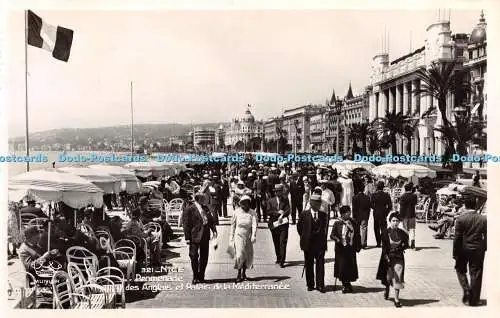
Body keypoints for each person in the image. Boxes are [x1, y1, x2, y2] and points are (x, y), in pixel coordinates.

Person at [453, 196, 487, 306]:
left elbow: (457, 238)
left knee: (460, 269)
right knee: (476, 273)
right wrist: (484, 247)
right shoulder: (483, 219)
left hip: (463, 249)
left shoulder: (461, 219)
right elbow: (487, 235)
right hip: (478, 249)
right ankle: (474, 300)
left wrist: (455, 253)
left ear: (465, 205)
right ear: (475, 205)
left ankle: (466, 290)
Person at [182, 191, 218, 284]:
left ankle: (201, 275)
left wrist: (214, 230)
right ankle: (195, 276)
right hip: (194, 236)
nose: (205, 200)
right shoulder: (189, 209)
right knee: (193, 256)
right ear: (198, 199)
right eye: (203, 198)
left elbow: (210, 220)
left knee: (204, 257)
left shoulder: (205, 208)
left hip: (205, 235)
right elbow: (186, 224)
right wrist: (187, 238)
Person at [376, 212, 409, 307]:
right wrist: (386, 257)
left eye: (397, 221)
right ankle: (387, 288)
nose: (395, 223)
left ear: (399, 222)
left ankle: (396, 299)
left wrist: (402, 247)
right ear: (390, 221)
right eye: (393, 221)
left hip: (399, 258)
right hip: (388, 259)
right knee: (388, 278)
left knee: (398, 277)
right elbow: (384, 248)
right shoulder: (385, 233)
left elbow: (406, 244)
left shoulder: (403, 233)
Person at [297, 194, 328, 292]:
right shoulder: (304, 214)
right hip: (308, 244)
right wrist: (305, 237)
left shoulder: (323, 215)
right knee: (309, 264)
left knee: (320, 265)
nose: (319, 205)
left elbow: (325, 229)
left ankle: (320, 285)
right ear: (311, 203)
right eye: (316, 203)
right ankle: (310, 284)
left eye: (319, 203)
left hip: (320, 244)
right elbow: (299, 228)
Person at [331, 205, 361, 293]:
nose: (350, 214)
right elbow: (332, 235)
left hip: (350, 249)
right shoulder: (337, 223)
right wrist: (337, 240)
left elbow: (357, 234)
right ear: (343, 214)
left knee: (350, 268)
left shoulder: (353, 222)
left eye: (350, 213)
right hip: (341, 249)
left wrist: (357, 244)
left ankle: (348, 284)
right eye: (348, 213)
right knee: (342, 268)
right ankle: (345, 285)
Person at [229, 195, 257, 283]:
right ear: (241, 204)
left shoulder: (252, 213)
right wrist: (231, 237)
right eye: (244, 203)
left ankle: (244, 273)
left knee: (247, 255)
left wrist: (253, 235)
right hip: (238, 235)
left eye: (247, 203)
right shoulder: (236, 212)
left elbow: (254, 225)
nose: (246, 205)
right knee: (240, 254)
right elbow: (232, 226)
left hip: (248, 235)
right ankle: (238, 273)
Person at [266, 184, 290, 268]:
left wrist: (282, 215)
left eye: (280, 191)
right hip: (274, 224)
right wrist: (277, 213)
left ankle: (282, 261)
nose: (278, 193)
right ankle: (278, 258)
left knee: (283, 242)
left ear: (282, 191)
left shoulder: (286, 200)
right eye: (277, 191)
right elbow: (268, 211)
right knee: (276, 242)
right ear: (275, 192)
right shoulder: (270, 200)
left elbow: (288, 210)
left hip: (283, 224)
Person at [371, 181, 393, 247]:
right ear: (383, 187)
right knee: (383, 228)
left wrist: (375, 208)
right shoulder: (386, 195)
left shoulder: (373, 195)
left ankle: (378, 242)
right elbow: (390, 206)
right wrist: (386, 212)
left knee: (376, 228)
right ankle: (384, 242)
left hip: (376, 214)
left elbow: (371, 204)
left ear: (377, 187)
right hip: (383, 214)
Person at [352, 181, 371, 249]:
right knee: (364, 229)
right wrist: (368, 216)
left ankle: (357, 243)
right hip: (364, 216)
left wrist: (353, 216)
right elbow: (368, 209)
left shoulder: (354, 197)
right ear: (363, 189)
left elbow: (354, 208)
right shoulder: (367, 198)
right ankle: (363, 243)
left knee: (357, 230)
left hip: (357, 216)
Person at [399, 183, 418, 249]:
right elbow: (415, 203)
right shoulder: (414, 196)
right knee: (412, 229)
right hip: (412, 214)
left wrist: (400, 216)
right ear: (411, 189)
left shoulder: (402, 196)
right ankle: (412, 242)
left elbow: (401, 207)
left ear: (405, 189)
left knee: (405, 229)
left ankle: (406, 243)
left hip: (404, 215)